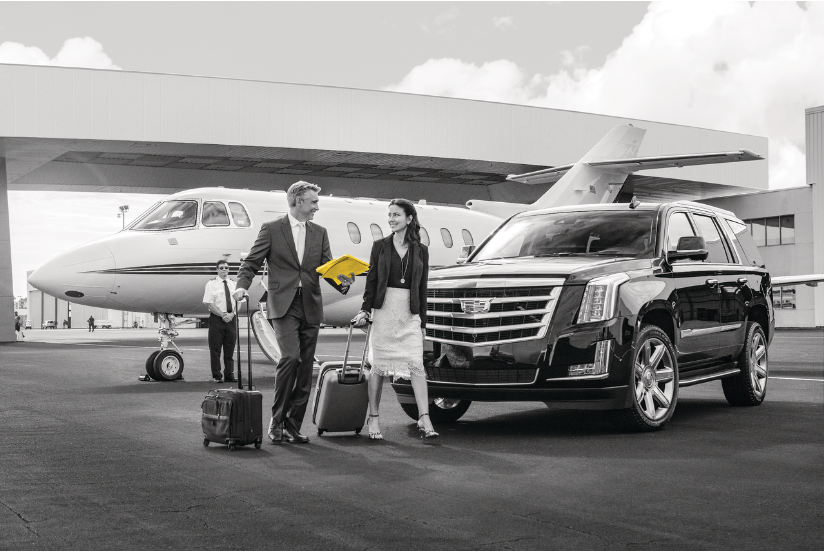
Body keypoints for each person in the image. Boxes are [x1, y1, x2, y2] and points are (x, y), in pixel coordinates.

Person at [234, 181, 354, 445]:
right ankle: (276, 420)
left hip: (310, 303)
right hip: (283, 304)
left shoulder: (320, 233)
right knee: (290, 358)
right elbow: (252, 261)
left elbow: (327, 267)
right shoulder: (272, 229)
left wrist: (343, 280)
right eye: (313, 202)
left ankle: (292, 426)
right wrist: (241, 286)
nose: (317, 207)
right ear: (299, 201)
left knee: (305, 367)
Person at [352, 198, 438, 441]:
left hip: (409, 313)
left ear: (409, 219)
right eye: (389, 215)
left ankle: (425, 417)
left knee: (416, 365)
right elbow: (371, 281)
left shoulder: (421, 250)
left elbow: (422, 288)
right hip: (384, 311)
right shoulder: (379, 246)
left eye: (396, 215)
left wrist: (423, 323)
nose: (391, 219)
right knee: (378, 367)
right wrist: (365, 310)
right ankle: (374, 417)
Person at [203, 259, 239, 383]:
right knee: (215, 349)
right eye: (222, 268)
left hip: (231, 319)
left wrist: (232, 314)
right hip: (217, 319)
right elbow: (209, 302)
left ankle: (229, 375)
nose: (224, 270)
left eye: (226, 268)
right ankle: (217, 376)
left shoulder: (234, 284)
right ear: (217, 270)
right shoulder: (211, 284)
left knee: (230, 349)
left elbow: (239, 302)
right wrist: (222, 315)